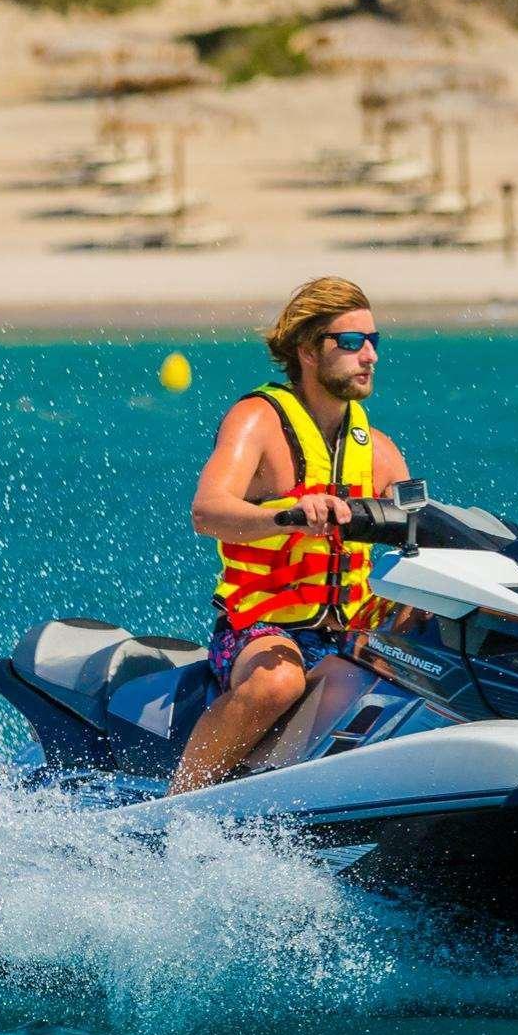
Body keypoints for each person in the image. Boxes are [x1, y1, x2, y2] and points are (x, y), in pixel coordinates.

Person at [173, 277, 411, 794]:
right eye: (351, 343)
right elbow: (207, 512)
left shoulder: (378, 448)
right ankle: (177, 806)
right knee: (279, 681)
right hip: (258, 629)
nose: (368, 355)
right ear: (308, 349)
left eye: (374, 341)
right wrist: (290, 516)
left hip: (351, 630)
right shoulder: (257, 420)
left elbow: (423, 528)